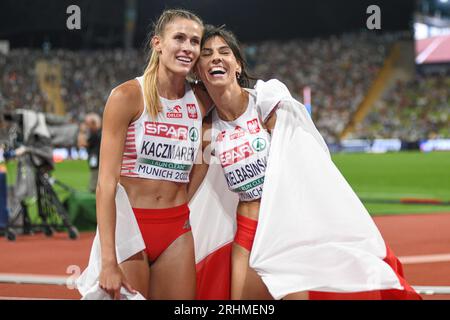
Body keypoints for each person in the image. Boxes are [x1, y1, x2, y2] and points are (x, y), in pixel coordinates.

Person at [187, 25, 421, 300]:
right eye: (206, 54)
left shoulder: (266, 104)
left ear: (237, 65)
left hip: (285, 229)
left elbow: (305, 158)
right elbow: (190, 192)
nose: (216, 57)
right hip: (247, 231)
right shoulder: (207, 130)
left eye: (224, 52)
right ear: (198, 71)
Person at [77, 9, 211, 300]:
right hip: (130, 229)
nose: (187, 47)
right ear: (157, 43)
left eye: (194, 41)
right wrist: (109, 260)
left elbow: (240, 100)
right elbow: (106, 185)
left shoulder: (202, 99)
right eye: (179, 38)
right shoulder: (126, 97)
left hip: (177, 229)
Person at [77, 113, 102, 193]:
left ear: (94, 124)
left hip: (95, 157)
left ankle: (93, 189)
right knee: (95, 172)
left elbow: (83, 143)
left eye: (89, 124)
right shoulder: (98, 132)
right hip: (95, 157)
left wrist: (82, 131)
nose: (88, 126)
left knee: (94, 172)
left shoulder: (95, 134)